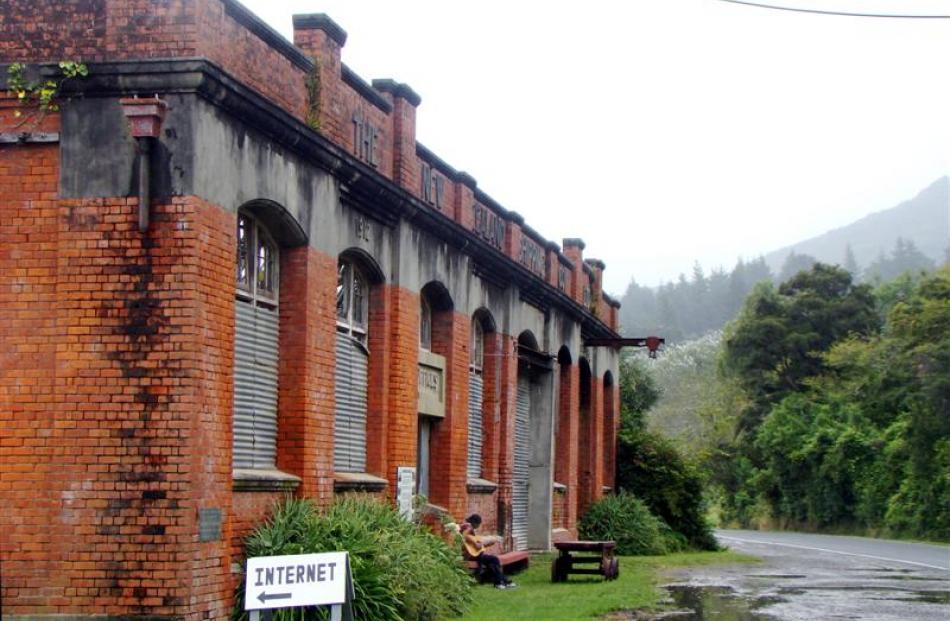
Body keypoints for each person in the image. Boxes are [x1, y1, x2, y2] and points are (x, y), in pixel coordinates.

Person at [462, 514, 516, 589]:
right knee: (494, 560)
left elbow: (477, 543)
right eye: (478, 524)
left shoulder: (471, 529)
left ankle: (501, 581)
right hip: (471, 556)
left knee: (493, 562)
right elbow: (464, 535)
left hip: (476, 554)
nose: (478, 526)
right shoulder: (467, 526)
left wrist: (482, 544)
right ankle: (503, 582)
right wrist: (475, 543)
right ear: (475, 523)